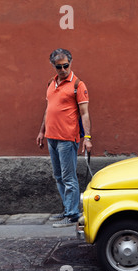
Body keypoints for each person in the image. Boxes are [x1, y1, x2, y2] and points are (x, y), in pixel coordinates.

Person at [36, 48, 92, 227]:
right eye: (59, 67)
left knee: (69, 178)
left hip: (67, 138)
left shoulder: (78, 85)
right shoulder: (51, 84)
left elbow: (85, 114)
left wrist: (88, 137)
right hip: (51, 137)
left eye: (66, 65)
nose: (63, 69)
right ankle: (67, 209)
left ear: (71, 62)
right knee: (59, 176)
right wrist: (41, 131)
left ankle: (73, 215)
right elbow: (48, 110)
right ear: (53, 66)